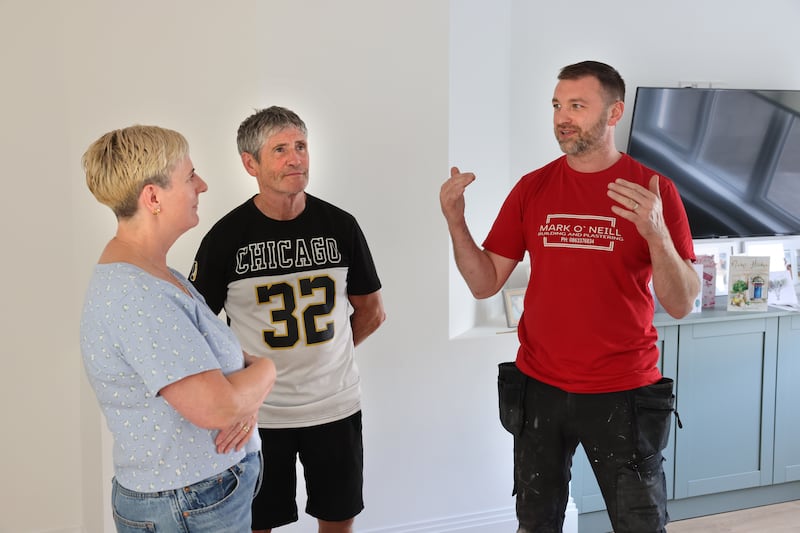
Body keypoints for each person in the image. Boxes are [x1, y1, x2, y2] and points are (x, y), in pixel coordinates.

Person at [440, 61, 700, 533]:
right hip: (540, 388)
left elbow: (681, 303)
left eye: (577, 106)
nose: (563, 117)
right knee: (536, 524)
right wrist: (456, 221)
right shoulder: (533, 187)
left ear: (615, 111)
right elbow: (484, 283)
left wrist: (657, 235)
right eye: (558, 106)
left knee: (639, 525)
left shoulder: (654, 190)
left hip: (624, 390)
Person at [189, 106, 386, 533]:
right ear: (250, 163)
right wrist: (235, 390)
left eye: (300, 146)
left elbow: (371, 311)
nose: (295, 158)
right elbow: (197, 329)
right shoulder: (226, 237)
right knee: (257, 522)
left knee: (338, 518)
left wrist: (328, 357)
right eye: (279, 149)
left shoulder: (340, 226)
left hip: (335, 406)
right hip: (260, 415)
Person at [80, 125, 277, 532]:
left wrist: (245, 394)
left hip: (194, 499)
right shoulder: (138, 295)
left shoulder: (157, 276)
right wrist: (266, 373)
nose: (201, 185)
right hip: (188, 504)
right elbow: (216, 407)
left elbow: (226, 378)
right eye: (190, 177)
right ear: (152, 197)